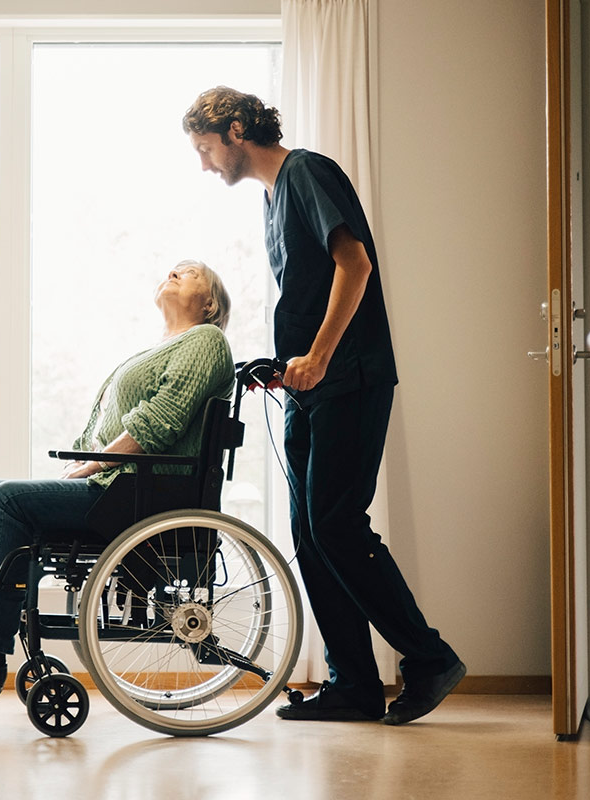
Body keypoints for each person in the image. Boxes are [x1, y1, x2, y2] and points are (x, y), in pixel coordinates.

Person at [182, 87, 464, 725]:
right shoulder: (271, 199)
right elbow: (308, 295)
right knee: (311, 533)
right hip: (311, 385)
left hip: (351, 378)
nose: (204, 165)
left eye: (204, 149)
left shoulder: (306, 170)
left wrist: (322, 357)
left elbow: (355, 264)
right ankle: (354, 685)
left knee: (336, 522)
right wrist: (285, 367)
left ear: (234, 129)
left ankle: (428, 658)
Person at [0, 260, 234, 697]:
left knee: (8, 499)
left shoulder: (206, 340)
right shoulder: (161, 347)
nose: (174, 271)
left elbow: (161, 420)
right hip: (121, 486)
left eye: (189, 273)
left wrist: (92, 464)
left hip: (142, 495)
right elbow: (106, 422)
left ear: (208, 304)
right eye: (173, 268)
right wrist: (82, 462)